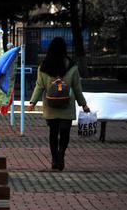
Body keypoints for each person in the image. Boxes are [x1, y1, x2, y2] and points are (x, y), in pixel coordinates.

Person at [29, 37, 90, 170]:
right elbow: (77, 87)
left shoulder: (44, 67)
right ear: (64, 49)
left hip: (50, 106)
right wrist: (83, 104)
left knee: (53, 132)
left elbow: (39, 86)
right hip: (67, 105)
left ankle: (54, 159)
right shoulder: (72, 66)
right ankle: (61, 153)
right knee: (65, 132)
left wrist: (33, 102)